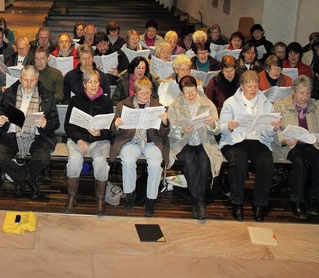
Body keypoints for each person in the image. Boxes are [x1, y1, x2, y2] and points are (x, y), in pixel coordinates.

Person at [219, 70, 280, 222]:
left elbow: (269, 132)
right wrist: (229, 126)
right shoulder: (230, 102)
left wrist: (273, 128)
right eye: (249, 86)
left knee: (266, 164)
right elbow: (221, 128)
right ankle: (237, 203)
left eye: (255, 86)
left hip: (258, 140)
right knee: (238, 163)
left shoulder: (265, 102)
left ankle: (259, 204)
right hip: (235, 140)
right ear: (242, 86)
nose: (253, 90)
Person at [0, 65, 59, 200]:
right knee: (0, 158)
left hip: (37, 134)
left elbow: (55, 122)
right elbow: (1, 112)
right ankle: (29, 180)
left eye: (32, 80)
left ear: (37, 79)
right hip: (13, 132)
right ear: (20, 78)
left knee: (43, 159)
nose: (29, 83)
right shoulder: (9, 93)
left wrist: (46, 124)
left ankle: (19, 179)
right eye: (25, 80)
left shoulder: (47, 96)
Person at [111, 77, 170, 217]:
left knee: (155, 165)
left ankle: (151, 199)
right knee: (128, 161)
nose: (145, 96)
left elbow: (163, 133)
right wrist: (116, 125)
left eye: (148, 92)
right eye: (142, 93)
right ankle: (129, 194)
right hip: (131, 140)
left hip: (151, 141)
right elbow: (114, 131)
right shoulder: (123, 105)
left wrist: (165, 122)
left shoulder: (157, 105)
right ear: (135, 92)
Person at [272, 75, 319, 219]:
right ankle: (296, 201)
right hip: (291, 145)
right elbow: (274, 129)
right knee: (300, 164)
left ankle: (314, 200)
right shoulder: (280, 105)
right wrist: (284, 139)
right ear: (293, 92)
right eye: (301, 93)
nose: (305, 97)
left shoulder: (318, 105)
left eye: (308, 93)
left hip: (312, 143)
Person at [167, 76, 222, 220]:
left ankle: (196, 200)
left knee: (204, 163)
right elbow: (172, 132)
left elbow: (216, 130)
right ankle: (199, 202)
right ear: (181, 93)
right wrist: (183, 130)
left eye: (193, 91)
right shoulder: (175, 106)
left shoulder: (207, 104)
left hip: (204, 141)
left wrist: (211, 124)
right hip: (184, 143)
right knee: (190, 163)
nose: (191, 95)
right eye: (187, 93)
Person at [64, 69, 113, 215]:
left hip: (99, 141)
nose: (93, 85)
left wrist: (100, 133)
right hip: (79, 140)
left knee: (100, 162)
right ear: (84, 84)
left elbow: (110, 129)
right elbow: (68, 125)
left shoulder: (106, 101)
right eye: (90, 82)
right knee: (74, 160)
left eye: (96, 82)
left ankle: (100, 199)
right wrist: (79, 140)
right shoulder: (75, 100)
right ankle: (71, 197)